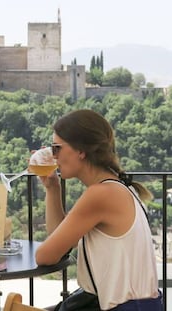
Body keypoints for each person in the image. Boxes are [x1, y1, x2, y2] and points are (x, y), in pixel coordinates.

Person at [35, 109, 161, 310]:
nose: (53, 156)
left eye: (56, 148)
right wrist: (52, 187)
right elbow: (57, 241)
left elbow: (45, 256)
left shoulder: (101, 194)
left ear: (80, 151)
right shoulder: (119, 186)